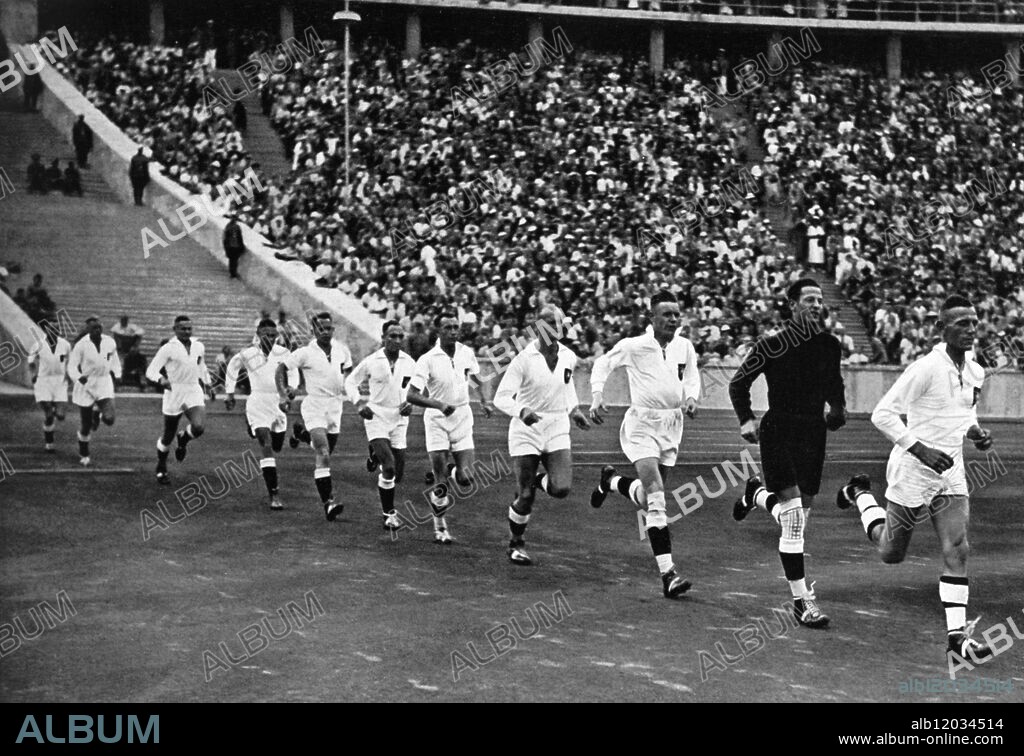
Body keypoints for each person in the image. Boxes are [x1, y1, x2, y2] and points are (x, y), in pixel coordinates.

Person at [838, 294, 996, 666]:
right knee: (891, 553)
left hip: (951, 471)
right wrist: (920, 449)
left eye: (974, 322)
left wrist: (975, 433)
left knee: (958, 548)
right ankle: (860, 495)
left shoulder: (975, 370)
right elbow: (882, 415)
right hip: (913, 469)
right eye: (962, 323)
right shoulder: (925, 368)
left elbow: (963, 414)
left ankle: (957, 639)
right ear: (941, 328)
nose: (971, 329)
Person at [729, 278, 847, 628]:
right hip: (779, 429)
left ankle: (757, 496)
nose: (815, 305)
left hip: (813, 432)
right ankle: (802, 602)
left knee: (798, 520)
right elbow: (739, 383)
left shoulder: (830, 344)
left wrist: (838, 409)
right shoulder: (772, 344)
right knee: (794, 519)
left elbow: (834, 382)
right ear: (793, 305)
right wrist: (746, 419)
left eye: (819, 300)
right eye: (808, 299)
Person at [588, 290, 700, 599]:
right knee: (657, 499)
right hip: (642, 426)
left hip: (672, 425)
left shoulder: (685, 347)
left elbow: (691, 378)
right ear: (652, 319)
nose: (674, 319)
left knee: (649, 498)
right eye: (667, 314)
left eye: (677, 314)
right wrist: (598, 395)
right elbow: (602, 365)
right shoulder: (634, 346)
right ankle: (668, 574)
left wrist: (691, 398)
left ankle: (612, 482)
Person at [494, 305, 590, 565]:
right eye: (548, 322)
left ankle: (538, 480)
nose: (555, 327)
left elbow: (567, 386)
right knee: (525, 496)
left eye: (559, 322)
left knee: (561, 488)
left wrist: (575, 410)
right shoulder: (523, 359)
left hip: (557, 426)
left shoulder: (569, 356)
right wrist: (521, 410)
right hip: (527, 428)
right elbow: (500, 398)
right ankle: (516, 543)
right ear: (537, 328)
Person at [406, 312, 496, 545]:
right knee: (440, 481)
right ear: (438, 331)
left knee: (466, 478)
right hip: (436, 419)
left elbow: (474, 378)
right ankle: (440, 526)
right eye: (447, 328)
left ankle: (455, 468)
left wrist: (484, 401)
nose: (453, 331)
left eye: (456, 327)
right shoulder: (427, 358)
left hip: (462, 417)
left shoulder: (466, 353)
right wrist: (438, 405)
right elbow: (412, 394)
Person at [277, 313, 351, 520]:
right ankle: (329, 503)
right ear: (313, 331)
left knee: (327, 449)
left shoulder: (341, 350)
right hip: (315, 405)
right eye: (321, 329)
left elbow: (349, 371)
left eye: (329, 328)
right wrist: (284, 394)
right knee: (324, 453)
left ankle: (301, 434)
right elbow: (281, 368)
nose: (325, 332)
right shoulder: (305, 353)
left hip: (336, 406)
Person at [345, 320, 417, 531]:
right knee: (390, 466)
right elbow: (350, 381)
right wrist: (359, 403)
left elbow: (417, 389)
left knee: (399, 474)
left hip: (399, 419)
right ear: (383, 337)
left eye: (399, 336)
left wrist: (410, 404)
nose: (396, 340)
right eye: (392, 336)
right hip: (376, 415)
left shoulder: (410, 362)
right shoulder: (372, 361)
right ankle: (389, 514)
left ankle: (375, 453)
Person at [225, 319, 297, 510]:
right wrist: (230, 392)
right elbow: (232, 367)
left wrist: (292, 388)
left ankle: (255, 428)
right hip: (257, 401)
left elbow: (294, 370)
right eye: (266, 334)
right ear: (258, 333)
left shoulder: (283, 353)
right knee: (265, 444)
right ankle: (274, 494)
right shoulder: (248, 353)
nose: (270, 338)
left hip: (277, 401)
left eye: (273, 335)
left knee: (277, 444)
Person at [145, 316, 213, 484]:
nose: (187, 331)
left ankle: (184, 439)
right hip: (174, 391)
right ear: (175, 329)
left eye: (189, 328)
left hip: (192, 389)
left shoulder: (198, 346)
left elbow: (201, 366)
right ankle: (161, 466)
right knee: (168, 435)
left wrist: (208, 383)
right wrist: (161, 380)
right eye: (183, 328)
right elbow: (151, 370)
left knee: (199, 426)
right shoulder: (168, 348)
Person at [67, 317, 121, 467]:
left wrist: (117, 374)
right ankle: (84, 453)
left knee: (110, 419)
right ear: (88, 330)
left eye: (99, 327)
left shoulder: (109, 342)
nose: (97, 330)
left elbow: (115, 360)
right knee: (86, 425)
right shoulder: (81, 345)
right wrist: (78, 378)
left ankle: (97, 411)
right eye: (94, 328)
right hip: (87, 383)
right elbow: (72, 366)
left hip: (104, 381)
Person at [27, 318, 71, 452]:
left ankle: (55, 409)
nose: (55, 330)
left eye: (57, 328)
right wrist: (34, 373)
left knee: (61, 416)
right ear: (47, 330)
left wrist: (69, 374)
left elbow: (70, 360)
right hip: (43, 380)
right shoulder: (38, 344)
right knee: (49, 414)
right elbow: (31, 360)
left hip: (59, 381)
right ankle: (49, 443)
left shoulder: (65, 344)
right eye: (52, 328)